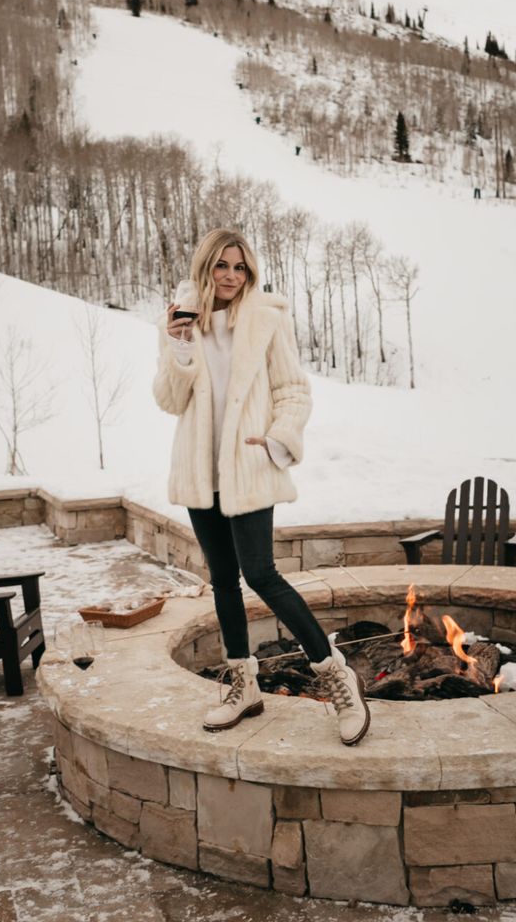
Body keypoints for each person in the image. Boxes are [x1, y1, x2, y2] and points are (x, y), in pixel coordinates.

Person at [152, 228, 370, 746]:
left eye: (240, 267)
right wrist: (178, 345)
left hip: (249, 464)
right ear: (205, 268)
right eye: (221, 266)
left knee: (262, 575)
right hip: (201, 469)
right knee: (224, 580)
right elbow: (168, 400)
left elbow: (293, 390)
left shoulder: (267, 318)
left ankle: (337, 676)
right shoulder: (183, 318)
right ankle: (241, 686)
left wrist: (276, 439)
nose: (230, 276)